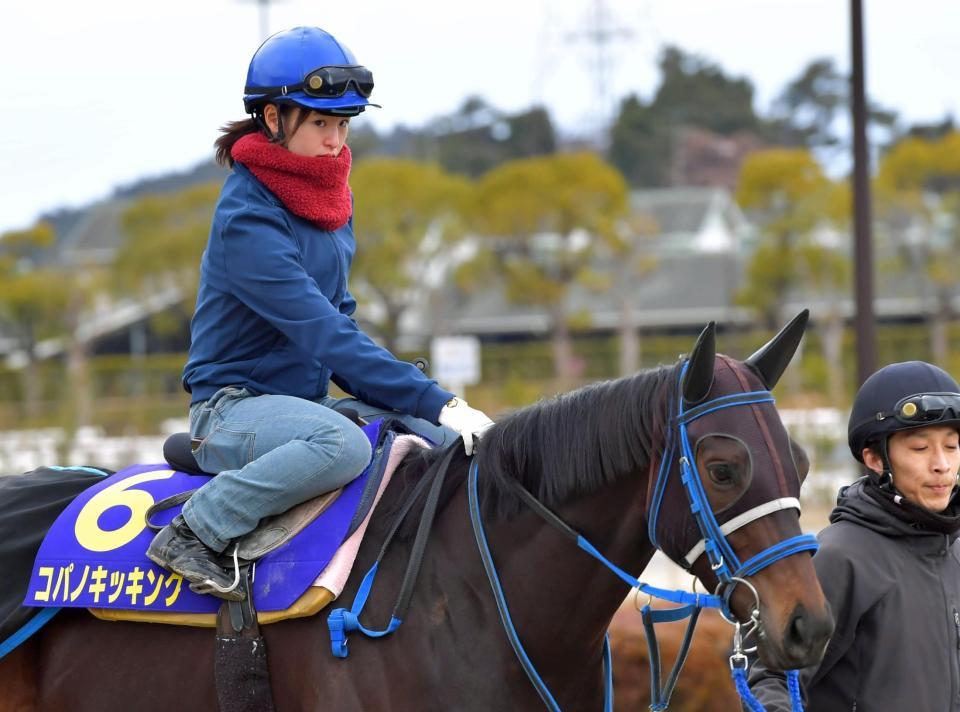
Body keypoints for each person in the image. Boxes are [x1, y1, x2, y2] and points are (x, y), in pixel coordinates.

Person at [147, 26, 493, 600]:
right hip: (230, 412)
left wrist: (424, 407)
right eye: (319, 123)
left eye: (343, 123)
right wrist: (440, 397)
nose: (335, 140)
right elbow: (323, 331)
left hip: (304, 408)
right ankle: (194, 532)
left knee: (432, 437)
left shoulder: (327, 203)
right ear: (273, 119)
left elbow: (343, 325)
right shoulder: (247, 219)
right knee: (345, 446)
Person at [748, 360, 960, 711]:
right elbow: (771, 677)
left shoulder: (955, 550)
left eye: (952, 447)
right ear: (875, 459)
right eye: (920, 449)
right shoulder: (839, 556)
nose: (942, 465)